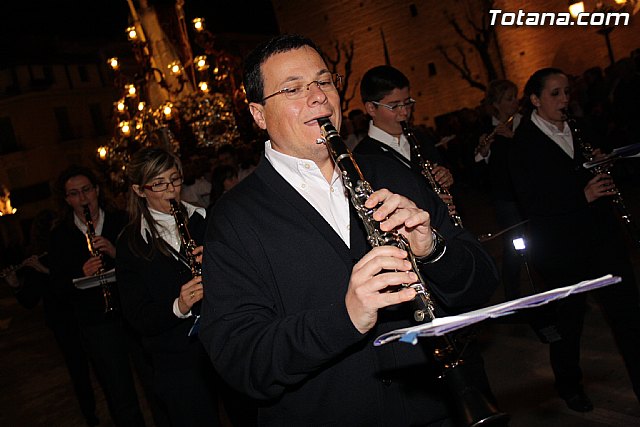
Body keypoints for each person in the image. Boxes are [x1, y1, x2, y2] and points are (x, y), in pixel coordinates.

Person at [200, 34, 500, 426]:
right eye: (293, 89)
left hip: (438, 410)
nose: (318, 97)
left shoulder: (391, 174)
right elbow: (242, 361)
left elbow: (481, 284)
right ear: (258, 114)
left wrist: (433, 251)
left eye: (324, 82)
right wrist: (345, 318)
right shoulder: (232, 220)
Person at [508, 67, 640, 412]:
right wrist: (581, 196)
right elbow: (532, 202)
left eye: (567, 91)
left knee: (629, 318)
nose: (564, 99)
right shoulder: (522, 144)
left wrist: (603, 163)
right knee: (569, 323)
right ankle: (569, 385)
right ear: (535, 100)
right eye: (555, 93)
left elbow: (599, 171)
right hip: (561, 249)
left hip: (603, 239)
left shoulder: (580, 127)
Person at [115, 146, 221, 427]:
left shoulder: (205, 219)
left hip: (223, 341)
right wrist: (179, 305)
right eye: (159, 184)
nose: (171, 190)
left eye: (174, 180)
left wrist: (218, 264)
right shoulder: (131, 244)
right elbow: (137, 315)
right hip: (176, 359)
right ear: (139, 190)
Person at [48, 165, 146, 426]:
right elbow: (58, 288)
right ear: (66, 199)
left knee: (154, 380)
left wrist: (117, 254)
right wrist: (81, 273)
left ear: (97, 190)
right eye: (74, 194)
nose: (83, 198)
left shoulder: (121, 220)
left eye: (87, 190)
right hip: (97, 323)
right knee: (119, 393)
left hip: (135, 313)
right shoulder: (60, 236)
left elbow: (146, 264)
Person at [354, 65, 458, 219]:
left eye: (407, 103)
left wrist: (446, 178)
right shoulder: (361, 158)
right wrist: (430, 205)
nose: (404, 112)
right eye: (394, 106)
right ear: (371, 108)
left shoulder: (420, 138)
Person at [474, 79, 526, 300]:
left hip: (529, 191)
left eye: (515, 97)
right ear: (496, 104)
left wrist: (513, 138)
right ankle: (513, 296)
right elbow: (478, 165)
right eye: (508, 99)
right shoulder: (487, 128)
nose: (515, 102)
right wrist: (485, 149)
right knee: (514, 245)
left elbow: (535, 153)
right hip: (505, 197)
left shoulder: (526, 123)